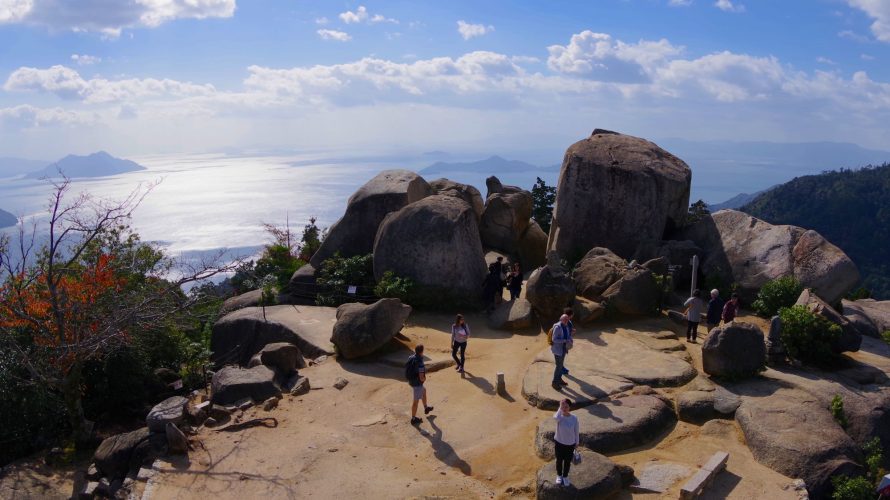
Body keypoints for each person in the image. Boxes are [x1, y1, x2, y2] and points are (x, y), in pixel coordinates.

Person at [553, 398, 580, 487]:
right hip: (559, 443)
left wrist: (577, 443)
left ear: (569, 407)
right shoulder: (559, 417)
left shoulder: (574, 418)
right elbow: (555, 418)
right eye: (563, 406)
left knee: (567, 462)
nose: (564, 408)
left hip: (570, 444)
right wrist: (559, 409)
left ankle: (565, 476)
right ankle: (559, 475)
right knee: (559, 461)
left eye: (566, 406)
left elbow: (576, 431)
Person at [407, 344, 434, 425]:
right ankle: (413, 419)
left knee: (424, 391)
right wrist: (424, 379)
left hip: (411, 380)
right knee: (415, 402)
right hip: (417, 384)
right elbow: (422, 377)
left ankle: (426, 408)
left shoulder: (411, 357)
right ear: (422, 352)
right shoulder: (420, 362)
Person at [550, 314, 572, 390]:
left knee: (560, 365)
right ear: (561, 319)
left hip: (563, 349)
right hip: (557, 350)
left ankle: (559, 379)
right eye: (565, 319)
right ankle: (554, 383)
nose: (566, 321)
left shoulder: (566, 326)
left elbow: (568, 335)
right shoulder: (557, 327)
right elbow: (554, 339)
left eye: (567, 319)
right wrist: (564, 340)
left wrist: (570, 340)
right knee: (559, 366)